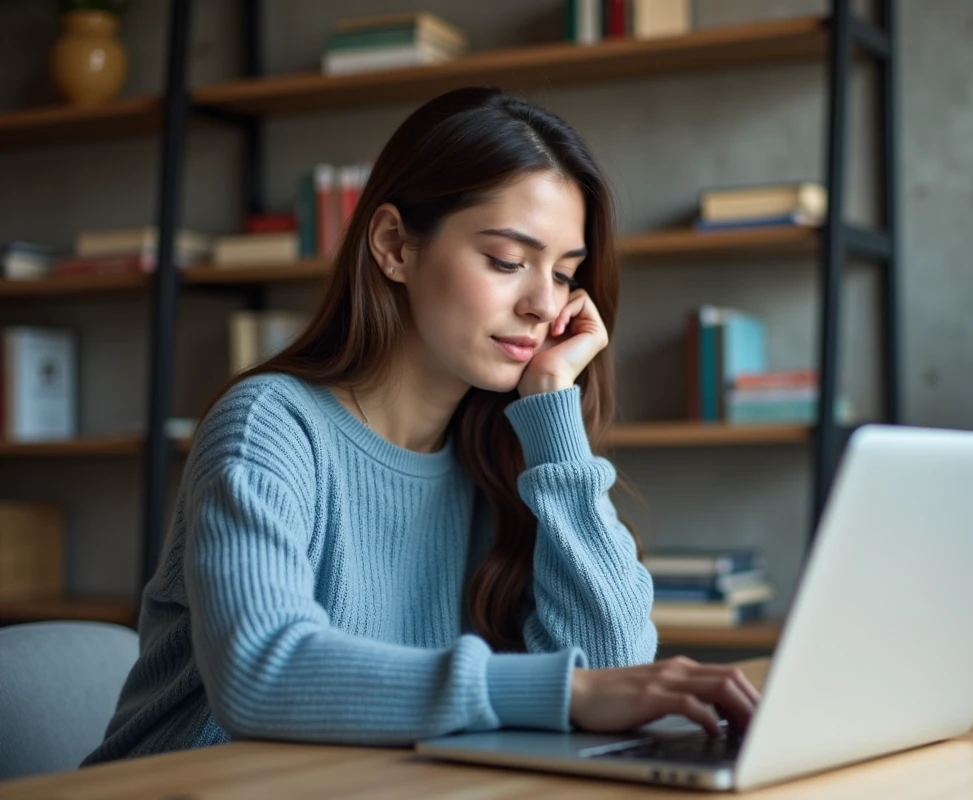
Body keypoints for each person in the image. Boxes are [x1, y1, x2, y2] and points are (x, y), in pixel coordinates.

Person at [82, 87, 758, 765]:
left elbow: (609, 662)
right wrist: (563, 692)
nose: (544, 305)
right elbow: (262, 671)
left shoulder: (502, 455)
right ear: (393, 246)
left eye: (565, 273)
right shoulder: (270, 425)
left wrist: (553, 409)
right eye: (506, 261)